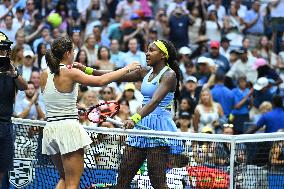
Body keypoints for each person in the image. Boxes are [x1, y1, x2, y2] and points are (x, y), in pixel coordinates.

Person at [73, 39, 182, 188]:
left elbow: (154, 101)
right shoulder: (145, 71)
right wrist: (86, 69)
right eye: (147, 50)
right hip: (142, 124)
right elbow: (113, 74)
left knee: (157, 182)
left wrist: (135, 118)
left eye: (151, 50)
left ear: (163, 55)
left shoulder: (169, 75)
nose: (147, 53)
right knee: (123, 177)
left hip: (158, 128)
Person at [40, 37, 141, 189]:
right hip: (67, 129)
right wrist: (128, 68)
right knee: (73, 183)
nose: (74, 53)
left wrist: (73, 106)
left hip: (50, 130)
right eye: (73, 51)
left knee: (64, 178)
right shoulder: (70, 72)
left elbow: (54, 98)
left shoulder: (44, 74)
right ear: (67, 53)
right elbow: (101, 81)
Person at [0, 32, 28, 188]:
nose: (2, 53)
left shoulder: (12, 70)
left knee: (3, 169)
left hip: (6, 124)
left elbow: (24, 87)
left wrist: (14, 73)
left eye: (4, 50)